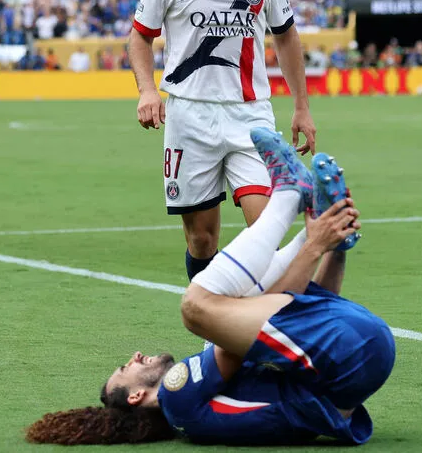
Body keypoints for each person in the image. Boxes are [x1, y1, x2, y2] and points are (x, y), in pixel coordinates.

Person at [27, 129, 390, 446]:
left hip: (358, 360)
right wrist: (312, 246)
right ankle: (289, 197)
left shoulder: (202, 407)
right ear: (137, 396)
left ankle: (321, 221)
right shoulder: (174, 396)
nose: (135, 356)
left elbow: (293, 314)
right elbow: (271, 311)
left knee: (236, 316)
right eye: (125, 367)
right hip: (350, 359)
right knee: (198, 309)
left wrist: (331, 248)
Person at [128, 0, 317, 282]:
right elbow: (140, 38)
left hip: (250, 115)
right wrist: (146, 90)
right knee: (201, 241)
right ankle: (214, 329)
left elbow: (286, 39)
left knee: (264, 229)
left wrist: (301, 107)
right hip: (188, 117)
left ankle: (266, 327)